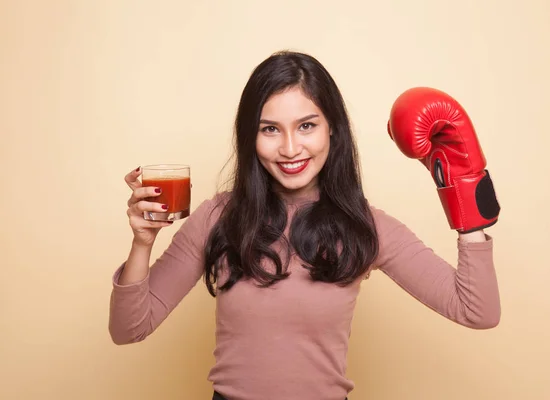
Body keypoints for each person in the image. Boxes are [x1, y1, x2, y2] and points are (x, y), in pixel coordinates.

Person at [108, 50, 501, 400]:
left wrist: (465, 195)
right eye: (270, 129)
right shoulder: (218, 218)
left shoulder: (365, 226)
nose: (290, 149)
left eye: (307, 126)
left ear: (333, 128)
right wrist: (142, 243)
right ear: (251, 137)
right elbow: (129, 329)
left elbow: (477, 311)